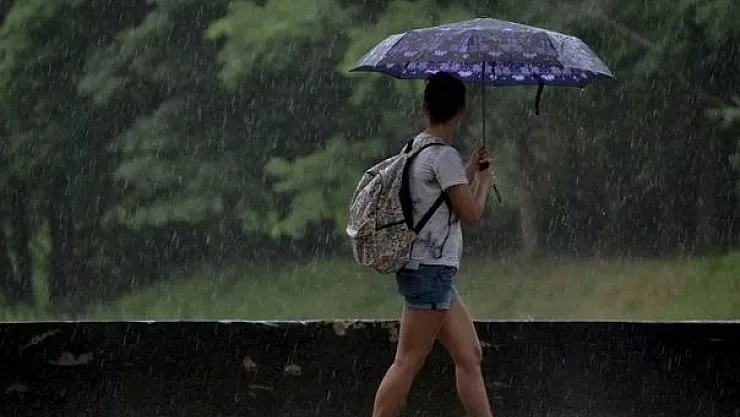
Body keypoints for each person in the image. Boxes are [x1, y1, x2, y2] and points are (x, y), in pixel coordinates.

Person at [370, 71, 495, 417]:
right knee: (407, 361)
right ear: (460, 113)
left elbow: (438, 196)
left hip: (426, 269)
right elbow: (470, 213)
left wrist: (470, 170)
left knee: (469, 354)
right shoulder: (444, 156)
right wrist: (484, 184)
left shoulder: (416, 148)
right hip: (431, 271)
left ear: (425, 107)